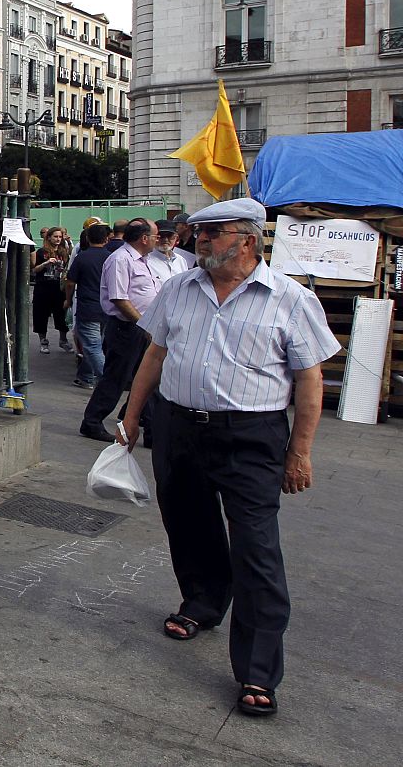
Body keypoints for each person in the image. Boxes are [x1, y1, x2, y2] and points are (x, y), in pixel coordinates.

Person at [120, 197, 338, 719]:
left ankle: (258, 671)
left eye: (214, 232)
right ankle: (201, 602)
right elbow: (156, 352)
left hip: (251, 435)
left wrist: (299, 452)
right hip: (178, 428)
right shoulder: (178, 288)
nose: (200, 239)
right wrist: (133, 414)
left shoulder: (290, 299)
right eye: (199, 232)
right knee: (188, 524)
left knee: (257, 550)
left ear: (248, 239)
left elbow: (311, 379)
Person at [79, 218, 158, 441]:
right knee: (117, 377)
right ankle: (92, 421)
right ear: (144, 238)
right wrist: (143, 323)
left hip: (145, 327)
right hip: (128, 327)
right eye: (154, 236)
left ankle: (152, 429)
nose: (156, 240)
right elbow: (119, 298)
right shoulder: (121, 259)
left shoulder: (144, 260)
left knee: (149, 378)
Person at [63, 223, 113, 389]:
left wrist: (68, 300)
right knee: (96, 345)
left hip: (88, 307)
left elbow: (70, 282)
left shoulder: (82, 257)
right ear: (106, 239)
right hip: (108, 307)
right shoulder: (112, 257)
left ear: (88, 238)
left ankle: (107, 382)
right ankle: (86, 376)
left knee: (92, 347)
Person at [31, 227, 72, 353]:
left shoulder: (63, 251)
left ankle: (63, 340)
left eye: (60, 237)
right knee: (41, 314)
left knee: (61, 314)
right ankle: (43, 341)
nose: (58, 239)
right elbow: (34, 269)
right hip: (43, 287)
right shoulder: (41, 252)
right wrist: (46, 263)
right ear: (49, 237)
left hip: (59, 288)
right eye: (55, 237)